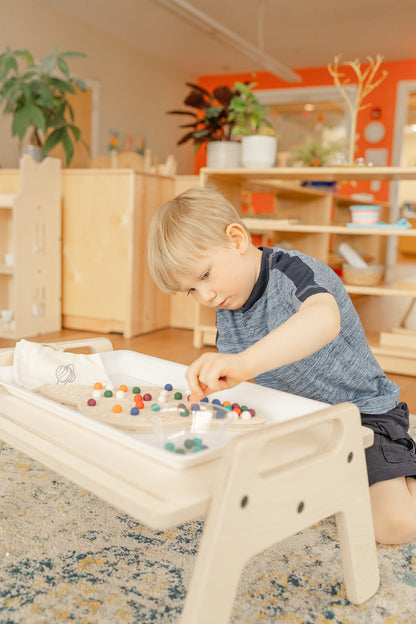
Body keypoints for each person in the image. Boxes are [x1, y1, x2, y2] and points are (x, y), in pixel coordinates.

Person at [147, 185, 416, 545]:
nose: (205, 296)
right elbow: (244, 387)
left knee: (393, 526)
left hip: (363, 416)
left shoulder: (293, 271)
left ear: (237, 239)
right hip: (300, 421)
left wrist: (243, 363)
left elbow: (323, 320)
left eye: (205, 275)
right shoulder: (227, 305)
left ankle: (402, 459)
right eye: (191, 290)